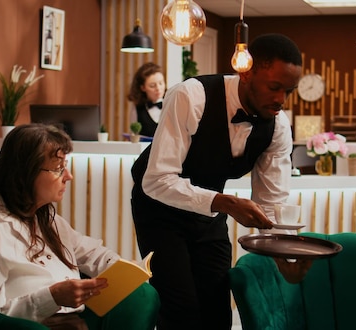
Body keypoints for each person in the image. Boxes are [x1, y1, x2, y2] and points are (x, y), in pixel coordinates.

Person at [130, 34, 312, 330]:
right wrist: (224, 202)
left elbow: (271, 204)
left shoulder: (277, 126)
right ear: (247, 72)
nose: (281, 100)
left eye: (289, 91)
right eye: (274, 87)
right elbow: (157, 180)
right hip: (158, 210)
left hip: (210, 214)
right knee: (181, 310)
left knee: (218, 310)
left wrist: (283, 261)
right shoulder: (191, 95)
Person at [0, 123, 159, 330]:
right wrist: (52, 297)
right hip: (33, 326)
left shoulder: (46, 219)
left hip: (74, 319)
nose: (68, 176)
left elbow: (91, 252)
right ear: (26, 173)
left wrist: (123, 269)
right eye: (58, 169)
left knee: (143, 294)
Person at [127, 62, 166, 137]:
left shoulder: (172, 104)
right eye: (152, 86)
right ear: (143, 88)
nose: (158, 88)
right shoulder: (137, 109)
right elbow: (133, 135)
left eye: (161, 83)